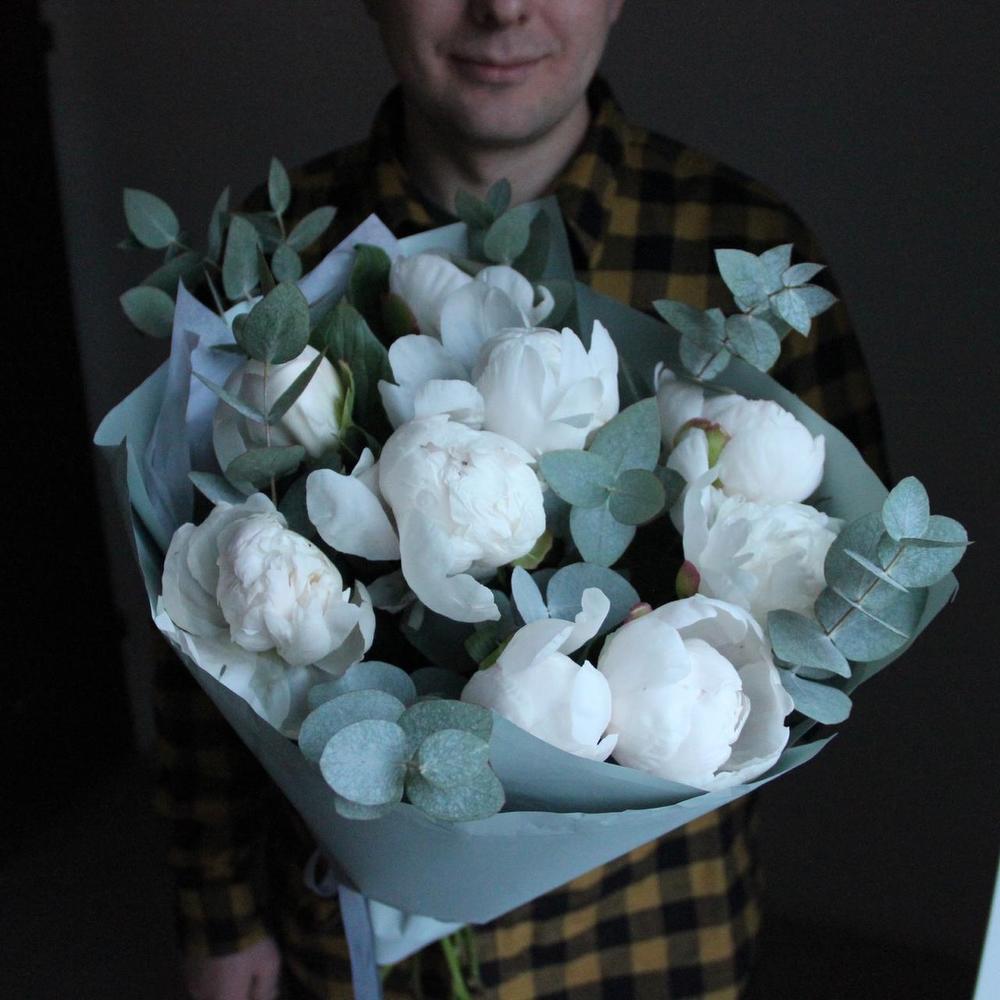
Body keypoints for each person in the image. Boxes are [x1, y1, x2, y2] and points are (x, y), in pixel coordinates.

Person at [158, 2, 887, 998]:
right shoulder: (267, 270)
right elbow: (194, 623)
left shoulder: (744, 254)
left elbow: (852, 603)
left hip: (652, 928)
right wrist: (219, 916)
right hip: (355, 931)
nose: (502, 7)